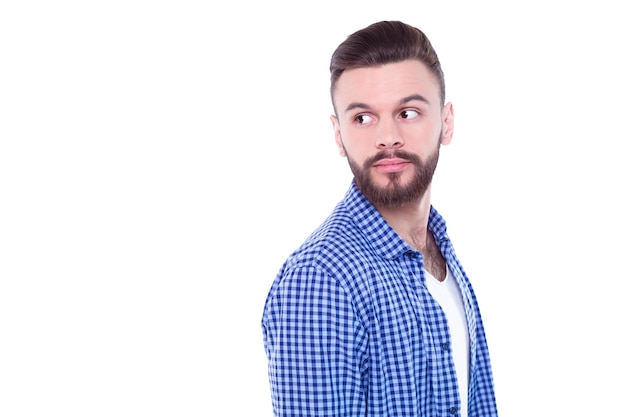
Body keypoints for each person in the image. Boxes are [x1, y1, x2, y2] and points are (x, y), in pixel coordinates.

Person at [261, 20, 498, 417]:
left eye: (407, 112)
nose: (387, 137)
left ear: (447, 122)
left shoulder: (437, 249)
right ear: (339, 136)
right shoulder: (322, 279)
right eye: (363, 118)